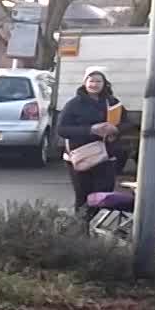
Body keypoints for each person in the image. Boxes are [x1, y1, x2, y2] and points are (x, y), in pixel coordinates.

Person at [57, 67, 124, 214]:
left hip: (106, 157)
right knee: (83, 197)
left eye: (98, 81)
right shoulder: (74, 104)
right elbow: (61, 130)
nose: (94, 84)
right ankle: (81, 231)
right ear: (85, 82)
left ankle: (97, 228)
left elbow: (127, 123)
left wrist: (116, 129)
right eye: (91, 80)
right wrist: (91, 129)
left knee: (104, 196)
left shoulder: (113, 102)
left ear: (105, 83)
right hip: (81, 156)